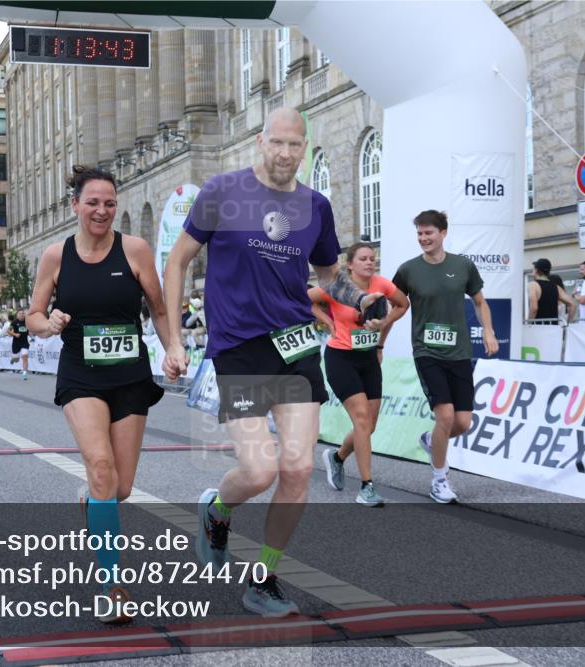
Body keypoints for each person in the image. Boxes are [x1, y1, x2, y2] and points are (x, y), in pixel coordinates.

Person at [162, 108, 384, 618]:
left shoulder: (315, 206)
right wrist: (174, 339)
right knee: (259, 470)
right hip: (240, 350)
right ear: (260, 141)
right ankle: (217, 511)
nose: (285, 154)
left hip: (296, 346)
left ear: (304, 149)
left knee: (299, 466)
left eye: (295, 146)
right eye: (277, 143)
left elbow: (330, 275)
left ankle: (264, 578)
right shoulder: (222, 191)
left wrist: (359, 300)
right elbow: (177, 261)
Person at [27, 165, 170, 624]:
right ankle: (112, 587)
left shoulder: (135, 250)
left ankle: (94, 501)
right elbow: (33, 312)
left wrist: (175, 348)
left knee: (119, 488)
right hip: (80, 374)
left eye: (109, 202)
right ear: (75, 205)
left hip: (130, 374)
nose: (102, 210)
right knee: (101, 467)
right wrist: (46, 324)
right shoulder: (55, 256)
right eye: (92, 202)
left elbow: (159, 306)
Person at [392, 210, 499, 503]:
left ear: (443, 233)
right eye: (420, 234)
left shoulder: (463, 266)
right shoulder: (408, 270)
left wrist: (488, 331)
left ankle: (430, 441)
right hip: (427, 352)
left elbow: (480, 302)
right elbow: (396, 306)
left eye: (429, 233)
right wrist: (379, 336)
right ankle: (439, 480)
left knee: (463, 423)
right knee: (446, 415)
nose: (423, 238)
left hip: (460, 352)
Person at [310, 242, 409, 506]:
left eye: (372, 258)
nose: (369, 262)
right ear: (350, 264)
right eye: (363, 258)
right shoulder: (336, 288)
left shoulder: (382, 285)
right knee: (362, 418)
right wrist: (327, 320)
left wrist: (382, 333)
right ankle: (366, 487)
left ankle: (337, 458)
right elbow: (303, 299)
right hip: (340, 358)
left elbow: (403, 304)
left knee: (369, 425)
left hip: (368, 358)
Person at [528, 258, 575, 323]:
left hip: (538, 328)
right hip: (553, 328)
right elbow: (572, 304)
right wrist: (568, 324)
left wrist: (529, 323)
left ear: (536, 270)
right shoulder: (556, 287)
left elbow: (534, 308)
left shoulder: (533, 285)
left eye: (533, 269)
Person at [9, 308, 30, 379]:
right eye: (20, 313)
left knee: (25, 356)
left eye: (23, 313)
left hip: (24, 342)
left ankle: (24, 373)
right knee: (16, 360)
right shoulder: (14, 322)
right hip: (16, 343)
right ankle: (13, 359)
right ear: (17, 315)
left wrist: (31, 333)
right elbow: (8, 331)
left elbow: (30, 330)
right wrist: (15, 334)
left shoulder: (27, 322)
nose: (21, 315)